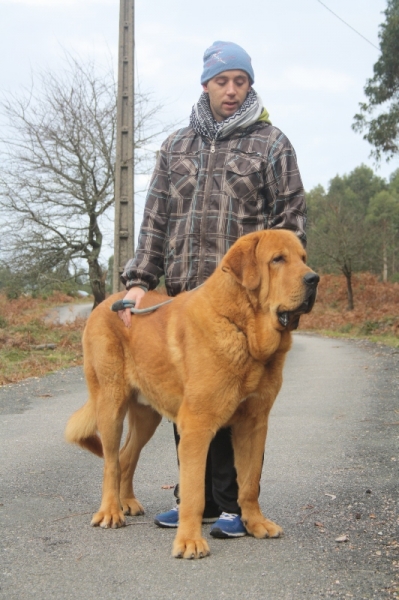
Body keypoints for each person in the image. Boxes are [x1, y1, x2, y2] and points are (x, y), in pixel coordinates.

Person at [118, 40, 306, 538]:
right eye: (222, 81)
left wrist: (283, 290)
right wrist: (139, 282)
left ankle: (232, 505)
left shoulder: (271, 144)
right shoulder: (176, 146)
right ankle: (195, 501)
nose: (230, 89)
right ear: (206, 84)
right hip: (186, 294)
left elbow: (291, 222)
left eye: (239, 81)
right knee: (195, 402)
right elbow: (155, 219)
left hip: (245, 300)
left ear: (249, 85)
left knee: (241, 401)